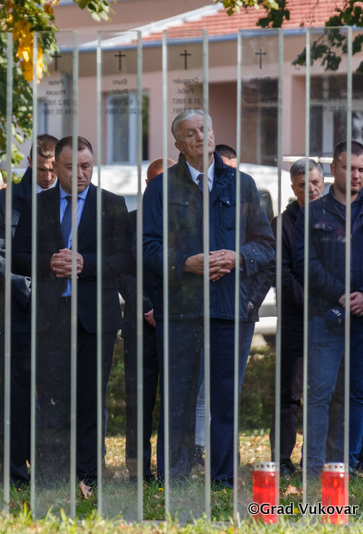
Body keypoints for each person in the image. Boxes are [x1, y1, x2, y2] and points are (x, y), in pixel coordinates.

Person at [141, 110, 274, 487]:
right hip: (179, 312)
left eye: (205, 130)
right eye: (191, 133)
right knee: (177, 399)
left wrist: (237, 256)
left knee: (225, 400)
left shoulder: (243, 185)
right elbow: (146, 248)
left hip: (231, 311)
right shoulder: (161, 188)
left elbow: (266, 245)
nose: (201, 137)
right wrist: (186, 263)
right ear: (178, 144)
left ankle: (223, 479)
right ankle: (174, 478)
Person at [12, 135, 133, 488]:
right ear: (55, 167)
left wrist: (85, 264)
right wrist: (48, 263)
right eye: (70, 167)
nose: (79, 174)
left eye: (86, 167)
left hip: (95, 319)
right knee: (52, 400)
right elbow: (18, 257)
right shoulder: (38, 205)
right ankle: (53, 473)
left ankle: (88, 475)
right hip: (50, 316)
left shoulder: (112, 204)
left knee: (91, 399)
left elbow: (126, 259)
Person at [293, 141, 363, 476]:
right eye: (348, 168)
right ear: (333, 169)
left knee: (359, 394)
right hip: (325, 317)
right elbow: (303, 262)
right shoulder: (312, 212)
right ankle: (313, 468)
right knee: (318, 394)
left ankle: (347, 465)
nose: (356, 175)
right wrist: (341, 294)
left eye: (362, 169)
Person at [0, 133, 57, 487]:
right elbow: (1, 254)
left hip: (59, 311)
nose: (48, 176)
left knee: (54, 392)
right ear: (31, 163)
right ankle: (15, 472)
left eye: (53, 170)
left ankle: (51, 466)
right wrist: (29, 293)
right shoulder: (7, 199)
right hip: (19, 309)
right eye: (42, 169)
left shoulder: (68, 198)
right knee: (17, 394)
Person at [269, 158, 323, 477]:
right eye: (304, 185)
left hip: (331, 321)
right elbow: (282, 276)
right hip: (294, 318)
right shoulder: (281, 224)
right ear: (294, 188)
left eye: (316, 182)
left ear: (324, 183)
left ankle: (314, 459)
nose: (311, 189)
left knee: (324, 393)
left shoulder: (337, 220)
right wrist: (317, 303)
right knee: (289, 393)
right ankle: (281, 460)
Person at [120, 157, 173, 481]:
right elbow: (123, 272)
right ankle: (137, 469)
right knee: (139, 401)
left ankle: (171, 467)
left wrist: (165, 308)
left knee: (174, 398)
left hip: (177, 321)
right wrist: (146, 307)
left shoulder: (188, 223)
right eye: (155, 183)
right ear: (146, 185)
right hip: (140, 324)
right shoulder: (130, 222)